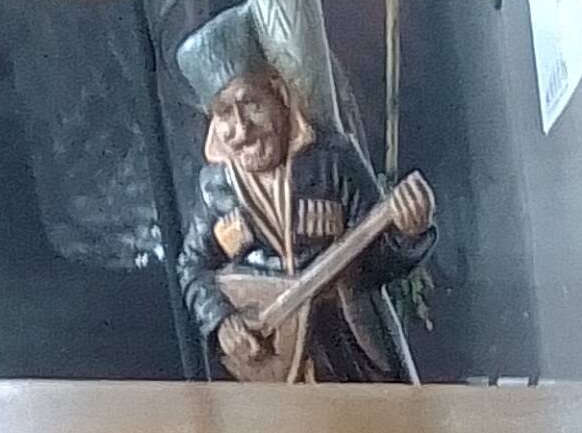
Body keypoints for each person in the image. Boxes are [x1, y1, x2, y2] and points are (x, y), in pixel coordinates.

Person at [182, 66, 434, 385]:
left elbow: (375, 262)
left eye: (253, 106)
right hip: (266, 359)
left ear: (280, 97)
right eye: (225, 115)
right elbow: (193, 266)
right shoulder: (214, 187)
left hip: (345, 346)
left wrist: (407, 233)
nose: (242, 129)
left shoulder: (333, 162)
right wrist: (220, 319)